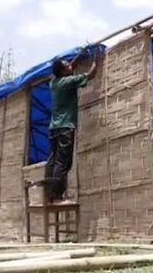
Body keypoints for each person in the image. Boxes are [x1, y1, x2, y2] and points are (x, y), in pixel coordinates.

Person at [45, 56, 97, 205]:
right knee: (63, 163)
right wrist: (95, 59)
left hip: (54, 128)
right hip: (65, 127)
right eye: (67, 65)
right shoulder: (67, 82)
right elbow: (91, 74)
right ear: (62, 71)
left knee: (54, 162)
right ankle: (56, 197)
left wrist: (80, 56)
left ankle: (49, 195)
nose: (70, 66)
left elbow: (69, 68)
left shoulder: (53, 82)